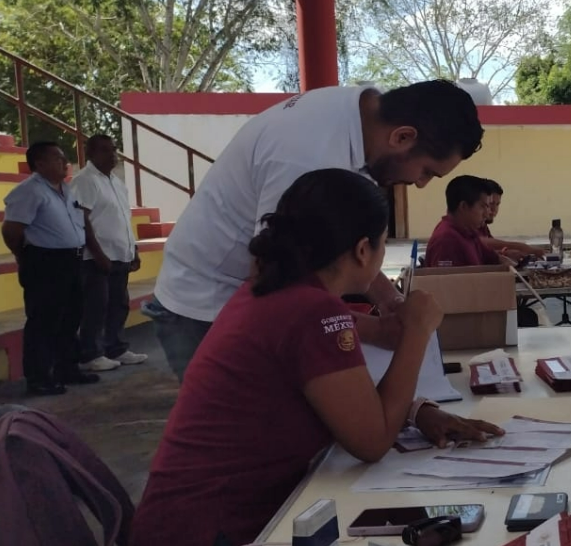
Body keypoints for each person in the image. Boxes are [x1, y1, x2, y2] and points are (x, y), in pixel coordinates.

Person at [126, 169, 503, 546]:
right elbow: (371, 440)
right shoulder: (311, 310)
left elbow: (348, 385)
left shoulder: (276, 294)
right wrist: (420, 330)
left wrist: (417, 409)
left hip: (182, 544)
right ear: (364, 250)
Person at [144, 80, 484, 381]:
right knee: (245, 432)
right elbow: (275, 287)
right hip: (204, 305)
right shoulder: (305, 158)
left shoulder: (364, 118)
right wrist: (378, 330)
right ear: (402, 137)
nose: (420, 184)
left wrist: (390, 300)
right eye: (426, 171)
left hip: (249, 291)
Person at [1, 141, 100, 396]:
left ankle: (67, 368)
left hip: (71, 260)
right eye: (57, 158)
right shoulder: (30, 191)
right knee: (44, 320)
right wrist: (24, 256)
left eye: (63, 157)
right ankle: (39, 377)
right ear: (39, 163)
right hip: (45, 262)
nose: (64, 162)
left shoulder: (66, 190)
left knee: (70, 317)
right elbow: (11, 230)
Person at [71, 134, 149, 371]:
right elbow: (82, 219)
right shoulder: (85, 180)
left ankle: (115, 348)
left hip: (120, 253)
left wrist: (133, 248)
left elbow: (124, 218)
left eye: (114, 149)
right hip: (97, 257)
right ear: (91, 154)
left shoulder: (116, 181)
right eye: (105, 150)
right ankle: (91, 354)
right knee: (96, 306)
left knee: (119, 303)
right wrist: (98, 253)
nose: (112, 154)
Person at [424, 175, 502, 267]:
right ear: (463, 206)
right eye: (483, 206)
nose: (487, 213)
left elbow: (493, 259)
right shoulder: (446, 240)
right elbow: (446, 280)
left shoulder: (469, 233)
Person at [476, 178, 544, 259]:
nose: (493, 209)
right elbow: (480, 242)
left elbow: (489, 250)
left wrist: (506, 253)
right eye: (489, 204)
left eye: (497, 204)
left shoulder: (483, 226)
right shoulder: (462, 232)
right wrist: (522, 247)